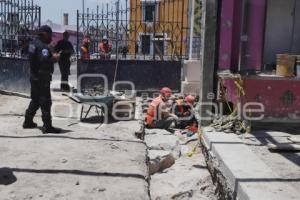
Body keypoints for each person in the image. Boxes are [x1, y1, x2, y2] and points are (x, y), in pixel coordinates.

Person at [23, 25, 61, 134]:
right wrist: (54, 58)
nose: (50, 37)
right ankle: (47, 126)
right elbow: (44, 61)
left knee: (35, 99)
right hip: (42, 77)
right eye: (49, 35)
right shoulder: (42, 46)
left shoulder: (33, 44)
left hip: (34, 76)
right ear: (44, 34)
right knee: (45, 101)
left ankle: (28, 121)